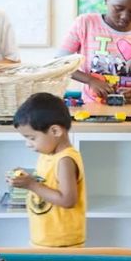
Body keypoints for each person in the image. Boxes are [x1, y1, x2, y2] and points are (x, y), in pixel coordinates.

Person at [10, 93, 86, 248]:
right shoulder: (47, 154)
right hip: (44, 238)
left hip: (63, 244)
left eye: (32, 138)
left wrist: (31, 185)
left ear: (55, 131)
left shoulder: (65, 160)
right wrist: (27, 179)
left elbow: (68, 200)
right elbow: (47, 183)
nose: (28, 144)